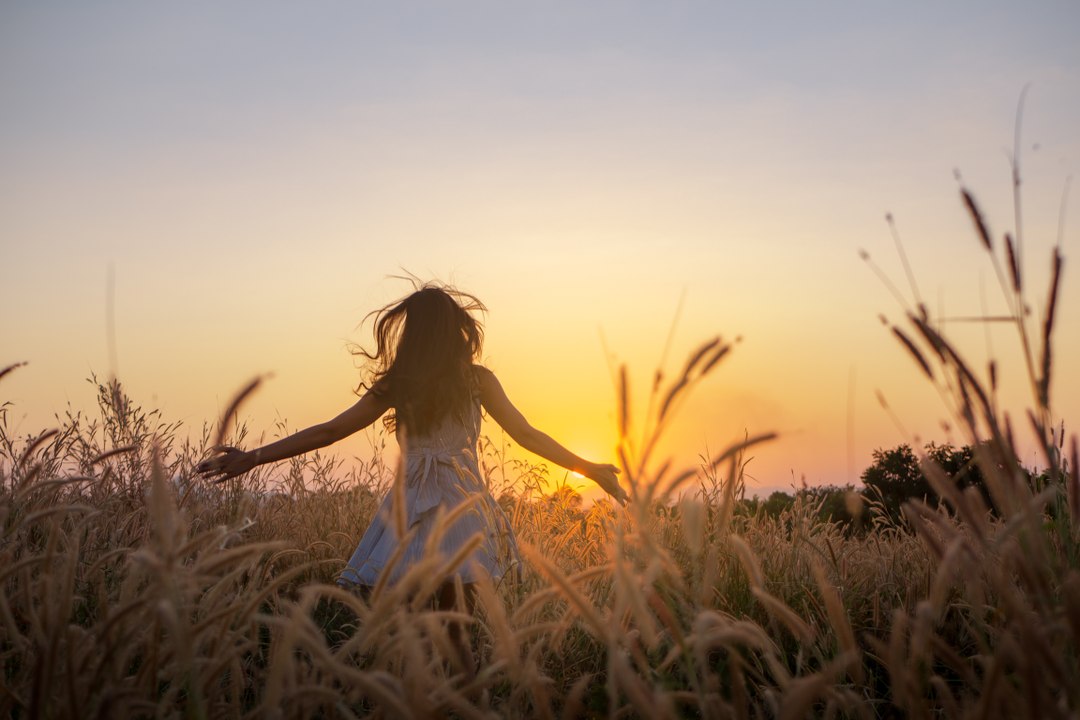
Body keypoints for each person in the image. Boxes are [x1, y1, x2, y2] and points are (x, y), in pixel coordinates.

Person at [195, 283, 626, 664]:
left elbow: (329, 431)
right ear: (455, 330)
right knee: (455, 628)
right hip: (462, 506)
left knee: (414, 630)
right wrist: (588, 469)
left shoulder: (400, 384)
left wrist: (251, 458)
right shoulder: (476, 380)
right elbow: (528, 435)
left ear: (413, 334)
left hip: (413, 510)